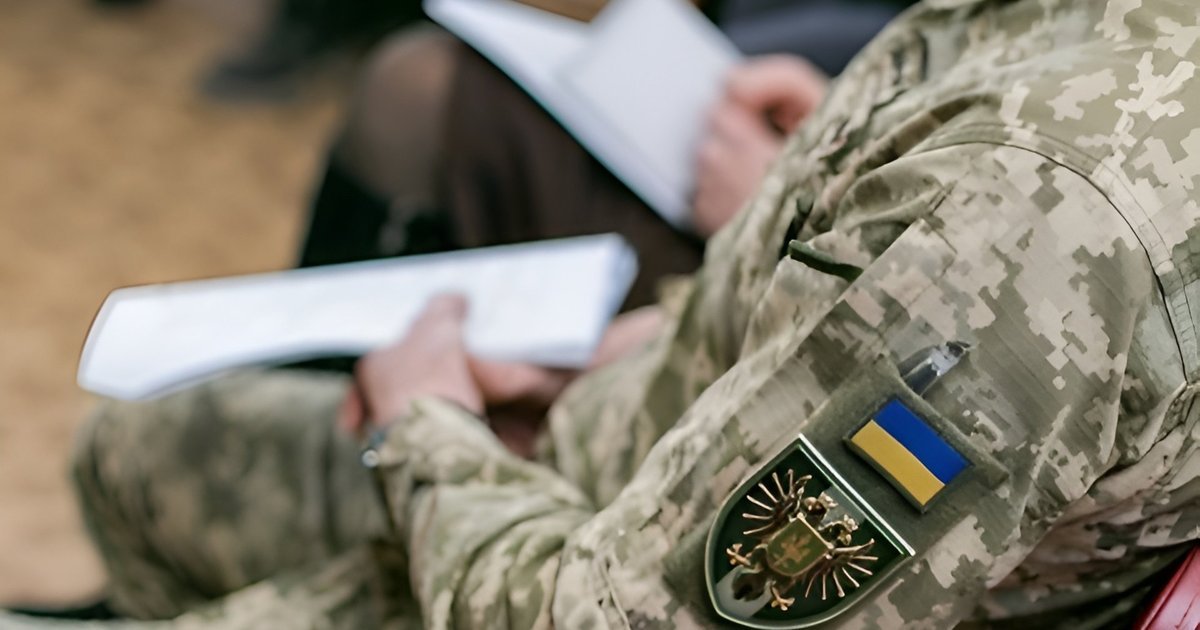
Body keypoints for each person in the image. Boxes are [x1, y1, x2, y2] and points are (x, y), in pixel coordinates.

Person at [6, 0, 1200, 628]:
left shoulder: (1040, 214)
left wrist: (424, 432)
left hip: (595, 561)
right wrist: (655, 336)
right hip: (630, 447)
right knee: (134, 450)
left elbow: (623, 619)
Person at [298, 0, 912, 308]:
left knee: (417, 95)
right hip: (810, 122)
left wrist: (784, 204)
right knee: (420, 83)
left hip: (808, 282)